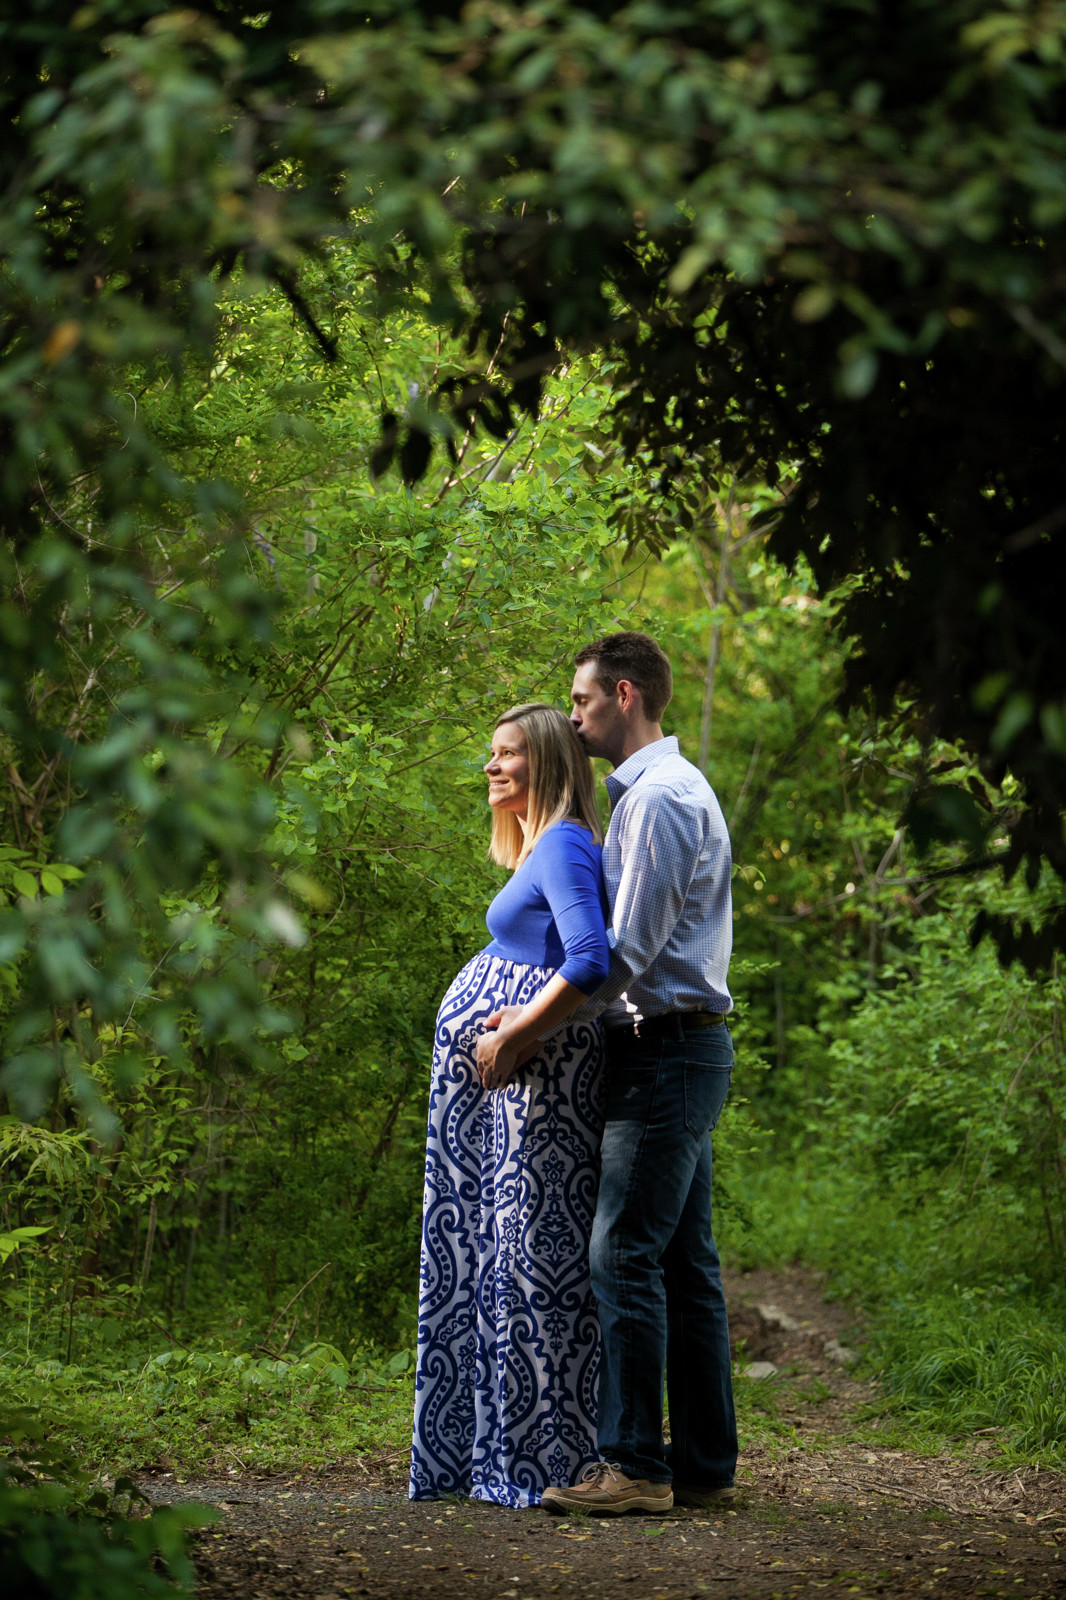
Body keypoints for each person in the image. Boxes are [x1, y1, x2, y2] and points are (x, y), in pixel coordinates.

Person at [487, 632, 738, 1516]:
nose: (573, 717)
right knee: (685, 1264)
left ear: (623, 695)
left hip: (666, 1050)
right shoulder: (662, 791)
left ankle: (635, 1468)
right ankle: (703, 1463)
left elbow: (622, 954)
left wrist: (525, 1029)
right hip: (678, 1047)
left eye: (582, 700)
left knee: (622, 1251)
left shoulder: (659, 800)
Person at [409, 703, 611, 1508]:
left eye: (508, 754)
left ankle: (542, 1462)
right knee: (497, 1259)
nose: (491, 767)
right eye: (490, 754)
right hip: (517, 1087)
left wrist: (517, 1034)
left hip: (540, 1083)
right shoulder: (542, 845)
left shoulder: (562, 842)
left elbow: (590, 958)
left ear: (549, 762)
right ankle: (493, 1456)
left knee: (533, 1265)